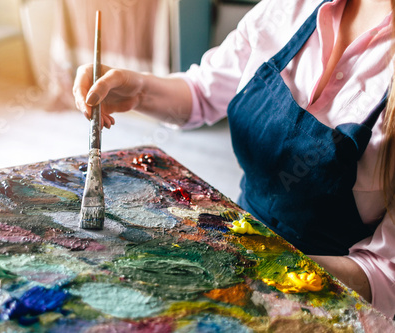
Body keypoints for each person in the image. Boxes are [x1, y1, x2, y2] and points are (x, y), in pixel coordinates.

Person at [73, 0, 395, 318]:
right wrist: (139, 89)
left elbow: (385, 273)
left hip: (328, 304)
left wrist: (268, 265)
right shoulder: (292, 6)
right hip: (238, 239)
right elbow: (203, 91)